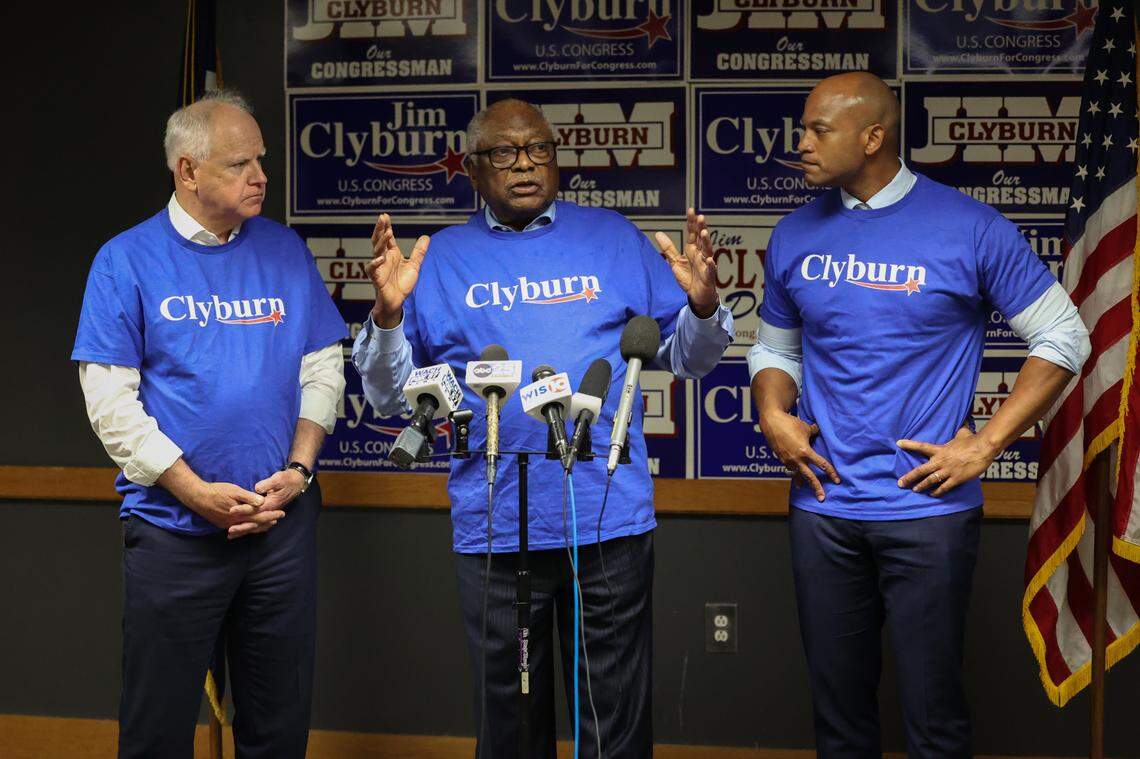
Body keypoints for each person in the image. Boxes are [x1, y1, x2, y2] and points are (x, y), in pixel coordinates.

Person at [353, 98, 732, 758]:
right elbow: (386, 394)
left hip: (606, 522)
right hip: (499, 530)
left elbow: (689, 357)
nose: (525, 164)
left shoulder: (613, 237)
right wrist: (388, 318)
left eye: (539, 150)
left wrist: (701, 306)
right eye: (504, 152)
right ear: (473, 169)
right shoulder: (437, 260)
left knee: (610, 724)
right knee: (512, 722)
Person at [748, 72, 1090, 757]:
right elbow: (772, 347)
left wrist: (986, 444)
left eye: (820, 129)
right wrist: (772, 413)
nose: (801, 143)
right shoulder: (793, 234)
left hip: (926, 511)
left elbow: (1065, 336)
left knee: (934, 718)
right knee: (839, 717)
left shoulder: (968, 227)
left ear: (873, 137)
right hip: (824, 508)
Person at [72, 90, 347, 759]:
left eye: (260, 160)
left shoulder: (283, 250)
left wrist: (300, 470)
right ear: (187, 171)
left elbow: (324, 367)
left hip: (279, 528)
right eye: (239, 164)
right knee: (156, 730)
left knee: (277, 728)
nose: (261, 175)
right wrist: (197, 493)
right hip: (176, 533)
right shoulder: (125, 260)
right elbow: (110, 402)